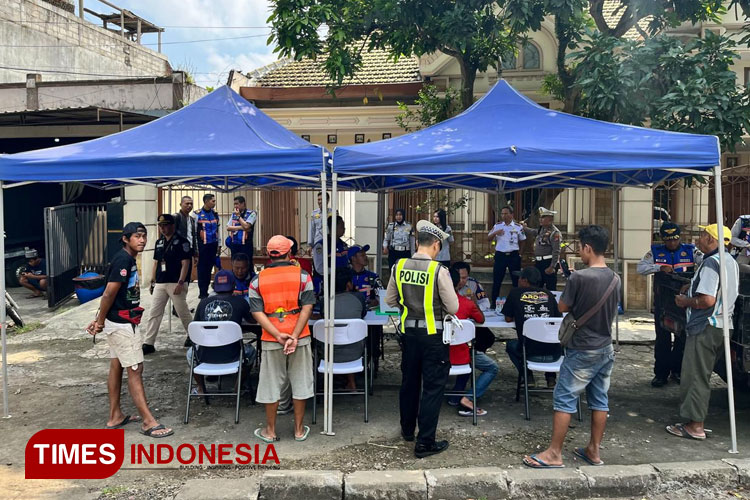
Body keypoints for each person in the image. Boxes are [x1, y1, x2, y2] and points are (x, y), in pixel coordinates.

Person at [523, 225, 619, 468]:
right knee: (599, 400)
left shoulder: (579, 278)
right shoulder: (616, 279)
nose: (579, 251)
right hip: (605, 347)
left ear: (588, 248)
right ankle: (594, 450)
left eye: (580, 247)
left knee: (564, 399)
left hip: (582, 348)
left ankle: (554, 453)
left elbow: (564, 307)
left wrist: (572, 282)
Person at [86, 222, 173, 438]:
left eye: (144, 236)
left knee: (117, 365)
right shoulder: (123, 260)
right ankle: (148, 421)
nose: (142, 240)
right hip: (122, 325)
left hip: (121, 321)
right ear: (126, 238)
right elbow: (108, 293)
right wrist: (100, 321)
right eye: (137, 236)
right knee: (135, 369)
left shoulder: (128, 258)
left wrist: (101, 319)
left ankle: (115, 415)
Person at [386, 220, 459, 458]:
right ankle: (425, 441)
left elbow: (390, 300)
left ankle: (407, 430)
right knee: (432, 387)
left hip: (409, 334)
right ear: (436, 245)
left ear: (417, 243)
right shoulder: (439, 270)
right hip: (433, 336)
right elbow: (453, 306)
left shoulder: (399, 266)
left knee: (409, 383)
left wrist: (408, 308)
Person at [667, 223, 739, 441]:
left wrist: (685, 301)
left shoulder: (710, 263)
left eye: (702, 235)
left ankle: (694, 426)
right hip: (722, 325)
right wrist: (690, 287)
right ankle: (694, 421)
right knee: (702, 374)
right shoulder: (730, 262)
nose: (699, 239)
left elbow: (707, 299)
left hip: (706, 325)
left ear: (711, 239)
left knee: (696, 376)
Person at [249, 235, 315, 442]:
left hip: (271, 337)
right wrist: (294, 335)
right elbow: (308, 307)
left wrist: (278, 334)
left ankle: (270, 430)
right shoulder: (303, 276)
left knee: (270, 383)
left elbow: (256, 312)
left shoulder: (257, 280)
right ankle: (298, 430)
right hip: (300, 336)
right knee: (301, 380)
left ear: (269, 254)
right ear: (290, 253)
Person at [637, 222, 702, 387]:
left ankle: (677, 371)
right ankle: (661, 374)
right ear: (663, 239)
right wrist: (659, 267)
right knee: (662, 340)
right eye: (668, 240)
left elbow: (705, 263)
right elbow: (640, 268)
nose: (672, 243)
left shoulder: (690, 250)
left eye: (674, 239)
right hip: (663, 303)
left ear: (679, 238)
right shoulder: (655, 252)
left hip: (683, 302)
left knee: (682, 339)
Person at [188, 270, 257, 395]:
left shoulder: (203, 303)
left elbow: (195, 327)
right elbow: (253, 321)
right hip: (233, 355)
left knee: (190, 354)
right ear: (234, 285)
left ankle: (201, 388)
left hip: (204, 356)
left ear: (214, 286)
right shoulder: (240, 302)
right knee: (251, 351)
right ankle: (238, 387)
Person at [447, 268, 497, 417]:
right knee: (492, 368)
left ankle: (455, 395)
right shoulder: (466, 303)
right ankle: (466, 397)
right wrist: (473, 304)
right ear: (458, 283)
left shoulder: (432, 303)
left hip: (436, 353)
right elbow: (481, 319)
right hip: (462, 355)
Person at [502, 267, 562, 389]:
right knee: (547, 343)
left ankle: (527, 376)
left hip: (528, 349)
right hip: (554, 349)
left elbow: (508, 318)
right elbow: (558, 319)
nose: (518, 280)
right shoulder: (549, 295)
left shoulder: (515, 293)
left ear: (525, 280)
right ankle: (551, 379)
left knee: (511, 346)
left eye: (520, 278)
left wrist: (521, 316)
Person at [142, 214, 192, 355]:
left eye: (165, 225)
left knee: (182, 312)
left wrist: (181, 282)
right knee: (154, 312)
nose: (162, 228)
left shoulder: (182, 242)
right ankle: (148, 342)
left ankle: (194, 336)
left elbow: (186, 263)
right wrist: (153, 280)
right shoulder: (159, 242)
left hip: (176, 282)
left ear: (172, 225)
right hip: (161, 281)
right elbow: (156, 262)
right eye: (160, 225)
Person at [327, 267, 367, 390]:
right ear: (349, 285)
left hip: (328, 354)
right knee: (350, 338)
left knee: (335, 340)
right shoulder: (358, 298)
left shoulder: (325, 302)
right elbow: (362, 314)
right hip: (355, 352)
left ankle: (324, 383)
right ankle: (352, 382)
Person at [349, 244, 383, 375]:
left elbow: (383, 297)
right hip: (350, 318)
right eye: (362, 255)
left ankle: (371, 358)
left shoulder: (373, 277)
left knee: (374, 331)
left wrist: (376, 301)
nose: (366, 257)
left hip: (370, 319)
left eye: (365, 254)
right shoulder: (344, 276)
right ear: (353, 258)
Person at [451, 261, 495, 353]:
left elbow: (486, 304)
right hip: (452, 322)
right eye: (459, 277)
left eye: (465, 278)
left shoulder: (473, 284)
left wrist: (474, 306)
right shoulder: (447, 284)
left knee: (488, 338)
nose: (462, 281)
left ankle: (473, 355)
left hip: (471, 321)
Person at [489, 206, 526, 305]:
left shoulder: (518, 227)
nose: (503, 216)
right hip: (500, 255)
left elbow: (523, 240)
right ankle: (494, 302)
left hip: (513, 256)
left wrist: (520, 254)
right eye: (502, 214)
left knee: (516, 280)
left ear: (511, 215)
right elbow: (488, 238)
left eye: (506, 213)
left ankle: (517, 302)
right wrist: (496, 233)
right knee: (497, 280)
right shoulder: (498, 225)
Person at [522, 207, 562, 291]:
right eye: (540, 217)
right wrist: (524, 228)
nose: (540, 219)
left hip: (548, 262)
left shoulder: (555, 233)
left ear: (550, 219)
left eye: (543, 217)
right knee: (537, 286)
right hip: (539, 263)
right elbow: (533, 232)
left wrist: (552, 267)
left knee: (550, 288)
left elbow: (556, 251)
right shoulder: (542, 229)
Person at [196, 193, 221, 299]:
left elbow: (218, 230)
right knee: (202, 270)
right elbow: (194, 233)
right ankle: (202, 293)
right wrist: (196, 249)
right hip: (202, 247)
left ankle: (207, 291)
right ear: (206, 201)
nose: (214, 203)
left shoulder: (215, 214)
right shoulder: (197, 214)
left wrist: (219, 245)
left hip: (213, 246)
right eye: (213, 201)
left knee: (211, 268)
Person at [312, 215, 349, 280]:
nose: (344, 229)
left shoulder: (343, 245)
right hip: (325, 282)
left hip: (341, 281)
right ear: (334, 227)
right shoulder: (321, 245)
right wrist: (337, 271)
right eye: (341, 227)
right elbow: (320, 268)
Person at [174, 195, 197, 282]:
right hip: (178, 251)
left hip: (189, 250)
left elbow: (193, 236)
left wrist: (195, 253)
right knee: (178, 275)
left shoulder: (191, 219)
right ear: (181, 204)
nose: (189, 206)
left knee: (187, 276)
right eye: (187, 204)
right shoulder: (176, 217)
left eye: (191, 204)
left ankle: (184, 292)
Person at [226, 195, 257, 260]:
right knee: (235, 263)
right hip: (235, 244)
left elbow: (246, 226)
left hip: (246, 244)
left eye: (237, 204)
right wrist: (241, 228)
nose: (235, 206)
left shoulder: (252, 213)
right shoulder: (234, 214)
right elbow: (228, 227)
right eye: (234, 204)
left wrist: (238, 217)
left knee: (247, 264)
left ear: (243, 204)